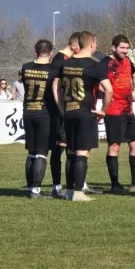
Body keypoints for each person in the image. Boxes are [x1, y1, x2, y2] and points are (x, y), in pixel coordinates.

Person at [53, 31, 113, 201]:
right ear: (92, 45)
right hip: (85, 113)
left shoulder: (66, 64)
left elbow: (56, 86)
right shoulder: (95, 65)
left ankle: (71, 191)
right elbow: (109, 89)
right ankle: (79, 192)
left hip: (69, 112)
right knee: (82, 152)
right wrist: (104, 110)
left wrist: (62, 108)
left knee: (71, 152)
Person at [100, 35, 135, 193]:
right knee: (114, 147)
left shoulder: (127, 62)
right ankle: (115, 184)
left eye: (127, 48)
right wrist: (107, 94)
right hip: (113, 111)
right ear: (113, 48)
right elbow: (96, 82)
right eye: (122, 48)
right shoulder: (105, 63)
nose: (125, 51)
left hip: (128, 110)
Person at [21, 39, 59, 198]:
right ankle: (36, 190)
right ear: (50, 53)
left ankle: (30, 188)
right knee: (42, 152)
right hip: (44, 113)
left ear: (36, 51)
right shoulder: (53, 70)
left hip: (28, 111)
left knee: (31, 152)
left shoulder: (25, 67)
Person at [49, 32, 86, 194]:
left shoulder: (66, 60)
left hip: (69, 111)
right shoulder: (59, 61)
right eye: (81, 47)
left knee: (72, 147)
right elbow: (56, 87)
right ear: (73, 46)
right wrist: (61, 109)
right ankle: (57, 186)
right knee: (60, 149)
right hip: (60, 112)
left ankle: (76, 184)